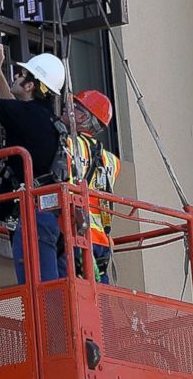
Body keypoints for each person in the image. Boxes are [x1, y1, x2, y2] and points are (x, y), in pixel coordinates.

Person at [0, 43, 65, 283]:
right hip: (47, 215)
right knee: (51, 290)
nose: (15, 76)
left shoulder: (29, 115)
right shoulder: (43, 117)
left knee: (40, 293)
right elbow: (12, 110)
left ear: (30, 85)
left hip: (34, 217)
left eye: (21, 75)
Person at [64, 90, 121, 283]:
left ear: (83, 116)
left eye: (74, 106)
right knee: (99, 304)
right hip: (102, 243)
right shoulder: (112, 161)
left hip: (77, 234)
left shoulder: (67, 143)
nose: (66, 108)